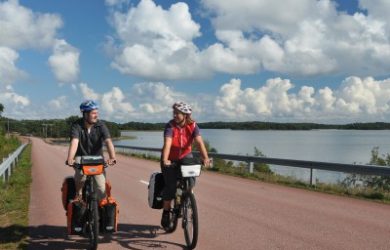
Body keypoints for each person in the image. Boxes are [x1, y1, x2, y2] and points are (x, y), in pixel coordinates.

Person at [160, 101, 211, 228]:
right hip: (170, 158)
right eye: (174, 113)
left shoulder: (193, 126)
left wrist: (205, 158)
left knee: (191, 183)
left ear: (186, 115)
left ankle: (186, 200)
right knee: (171, 187)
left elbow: (199, 142)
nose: (175, 115)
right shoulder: (170, 126)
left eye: (178, 113)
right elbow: (167, 143)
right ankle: (166, 212)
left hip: (185, 157)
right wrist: (165, 160)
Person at [66, 100, 117, 201]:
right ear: (85, 114)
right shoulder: (77, 125)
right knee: (81, 176)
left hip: (97, 159)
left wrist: (112, 157)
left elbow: (108, 141)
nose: (96, 116)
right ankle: (79, 193)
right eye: (93, 113)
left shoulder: (101, 125)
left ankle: (100, 213)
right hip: (81, 158)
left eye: (97, 113)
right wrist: (70, 158)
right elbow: (74, 142)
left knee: (101, 189)